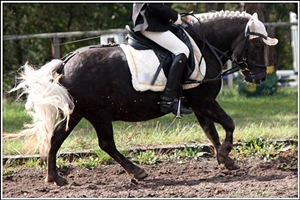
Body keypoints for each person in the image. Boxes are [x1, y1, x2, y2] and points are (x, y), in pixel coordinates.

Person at [132, 3, 193, 116]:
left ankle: (181, 94)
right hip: (150, 23)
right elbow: (155, 5)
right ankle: (168, 99)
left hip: (155, 22)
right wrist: (175, 16)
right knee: (182, 50)